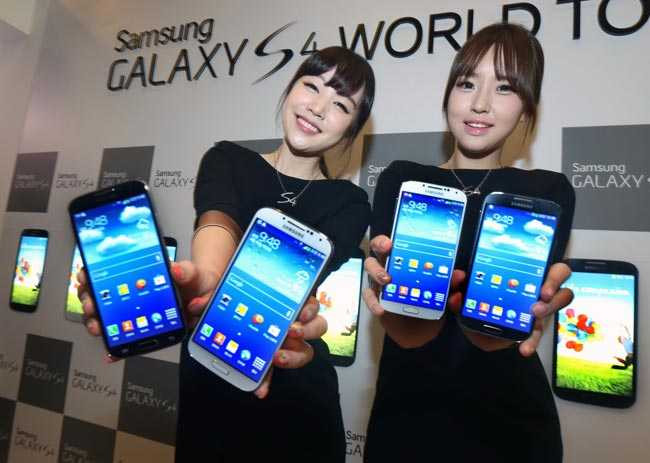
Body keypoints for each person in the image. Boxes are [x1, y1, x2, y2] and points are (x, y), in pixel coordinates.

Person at [78, 46, 375, 462]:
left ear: (351, 130)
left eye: (341, 104)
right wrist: (197, 285)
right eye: (311, 86)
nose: (319, 107)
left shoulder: (350, 203)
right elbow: (217, 232)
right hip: (210, 385)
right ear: (291, 88)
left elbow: (286, 282)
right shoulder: (227, 160)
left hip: (299, 399)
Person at [362, 23, 575, 463]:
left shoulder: (547, 192)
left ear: (527, 109)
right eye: (466, 83)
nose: (480, 103)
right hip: (408, 413)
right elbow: (406, 330)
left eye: (504, 88)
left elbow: (499, 334)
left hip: (512, 421)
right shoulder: (403, 180)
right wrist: (385, 289)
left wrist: (535, 304)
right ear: (447, 96)